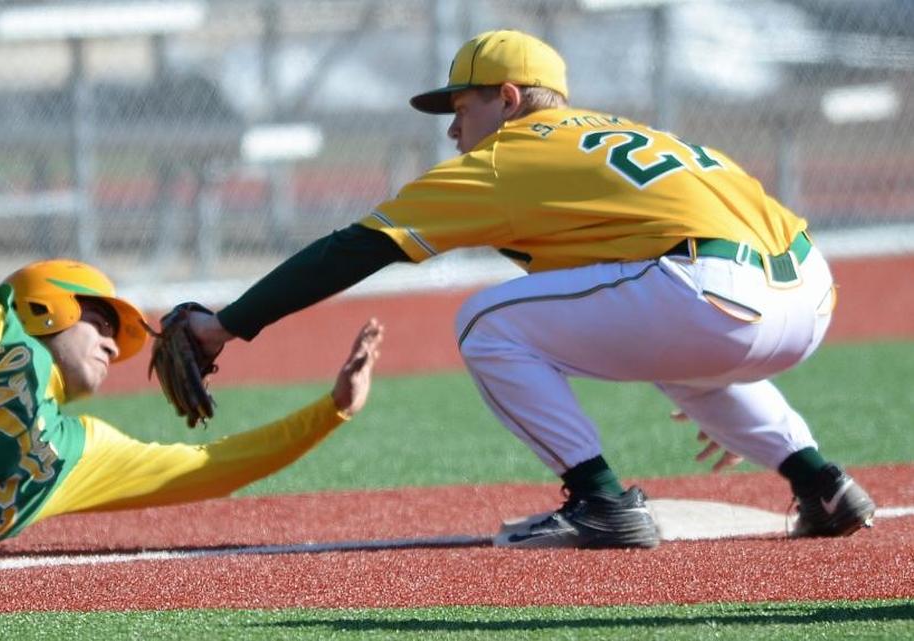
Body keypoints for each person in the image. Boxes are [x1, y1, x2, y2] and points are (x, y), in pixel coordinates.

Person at [179, 29, 876, 549]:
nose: (453, 129)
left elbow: (356, 246)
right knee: (659, 326)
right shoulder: (621, 134)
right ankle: (821, 482)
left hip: (711, 292)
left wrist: (228, 323)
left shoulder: (512, 154)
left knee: (487, 321)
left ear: (508, 99)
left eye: (461, 107)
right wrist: (712, 350)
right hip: (809, 293)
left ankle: (599, 499)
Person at [0, 259, 385, 562]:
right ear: (48, 304)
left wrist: (329, 413)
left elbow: (209, 465)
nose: (115, 344)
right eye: (101, 320)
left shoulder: (74, 451)